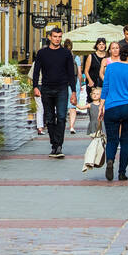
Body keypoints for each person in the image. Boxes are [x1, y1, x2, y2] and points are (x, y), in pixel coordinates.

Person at [99, 42, 128, 182]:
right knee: (125, 140)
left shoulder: (110, 68)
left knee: (112, 139)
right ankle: (122, 172)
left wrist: (101, 106)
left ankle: (110, 160)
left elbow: (105, 87)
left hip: (112, 107)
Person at [32, 26, 77, 158]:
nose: (57, 39)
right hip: (46, 88)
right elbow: (36, 71)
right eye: (55, 37)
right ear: (50, 37)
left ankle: (59, 145)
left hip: (62, 88)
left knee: (62, 116)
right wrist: (35, 86)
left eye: (59, 37)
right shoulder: (42, 53)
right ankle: (54, 143)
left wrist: (73, 91)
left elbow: (71, 73)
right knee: (50, 118)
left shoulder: (66, 53)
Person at [64, 39, 80, 135]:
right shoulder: (76, 57)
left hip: (63, 83)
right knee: (73, 106)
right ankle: (72, 127)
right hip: (74, 82)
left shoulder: (61, 56)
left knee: (62, 104)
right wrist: (80, 83)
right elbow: (79, 72)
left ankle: (62, 123)